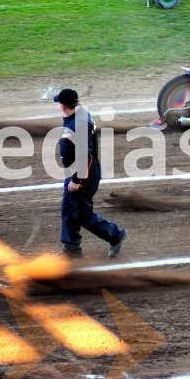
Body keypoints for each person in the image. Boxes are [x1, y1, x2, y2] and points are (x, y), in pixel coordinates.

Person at [55, 88, 126, 259]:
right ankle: (71, 249)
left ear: (64, 106)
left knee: (82, 214)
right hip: (76, 172)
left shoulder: (78, 123)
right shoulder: (78, 115)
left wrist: (76, 180)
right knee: (68, 209)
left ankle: (115, 234)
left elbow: (83, 155)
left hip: (82, 175)